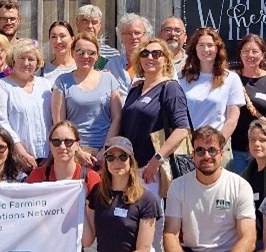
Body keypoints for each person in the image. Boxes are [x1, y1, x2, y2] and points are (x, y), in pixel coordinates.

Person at [154, 127, 258, 252]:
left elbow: (249, 238)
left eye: (212, 150)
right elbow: (170, 233)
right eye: (200, 151)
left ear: (222, 153)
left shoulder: (239, 185)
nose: (206, 156)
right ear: (193, 154)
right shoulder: (178, 185)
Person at [107, 38, 191, 195]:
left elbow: (182, 129)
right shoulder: (135, 89)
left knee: (152, 217)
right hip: (130, 169)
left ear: (166, 60)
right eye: (145, 54)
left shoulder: (171, 88)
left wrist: (156, 160)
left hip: (153, 172)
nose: (150, 57)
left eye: (156, 54)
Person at [179, 27, 246, 173]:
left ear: (218, 49)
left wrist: (216, 145)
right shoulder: (181, 78)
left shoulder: (230, 78)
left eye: (210, 45)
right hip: (188, 147)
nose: (206, 49)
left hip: (218, 147)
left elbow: (232, 118)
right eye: (201, 45)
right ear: (194, 49)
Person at [53, 32, 123, 162]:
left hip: (106, 152)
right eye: (80, 52)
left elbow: (117, 117)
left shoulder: (109, 79)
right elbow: (59, 123)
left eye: (91, 53)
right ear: (72, 53)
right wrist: (78, 151)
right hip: (73, 152)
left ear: (97, 56)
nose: (86, 56)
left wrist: (105, 149)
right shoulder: (62, 82)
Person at [0, 38, 54, 171]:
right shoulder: (2, 86)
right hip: (17, 159)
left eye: (31, 59)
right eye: (21, 58)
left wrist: (52, 153)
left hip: (48, 158)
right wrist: (21, 152)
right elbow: (0, 122)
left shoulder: (46, 85)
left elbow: (55, 119)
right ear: (13, 60)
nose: (26, 63)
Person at [231, 33, 266, 174]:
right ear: (240, 54)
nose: (250, 55)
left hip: (264, 150)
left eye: (255, 51)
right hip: (237, 149)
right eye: (246, 51)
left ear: (262, 54)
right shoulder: (231, 78)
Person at [27, 121, 103, 189]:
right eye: (56, 142)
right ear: (50, 145)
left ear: (77, 145)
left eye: (68, 142)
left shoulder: (90, 178)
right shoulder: (38, 176)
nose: (62, 147)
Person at [104, 13, 151, 91]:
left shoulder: (156, 62)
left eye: (137, 33)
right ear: (121, 37)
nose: (133, 37)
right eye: (128, 34)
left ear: (146, 36)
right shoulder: (113, 65)